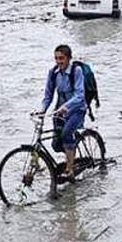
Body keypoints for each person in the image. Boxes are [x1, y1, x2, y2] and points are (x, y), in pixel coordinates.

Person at [35, 44, 87, 183]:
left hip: (77, 109)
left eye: (62, 58)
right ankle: (72, 153)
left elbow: (80, 95)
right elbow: (48, 95)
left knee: (66, 134)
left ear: (69, 58)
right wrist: (42, 110)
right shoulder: (53, 73)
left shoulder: (77, 71)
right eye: (56, 58)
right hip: (60, 111)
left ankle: (69, 170)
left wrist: (66, 106)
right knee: (56, 144)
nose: (59, 61)